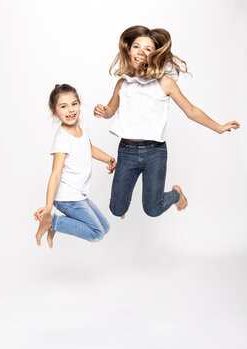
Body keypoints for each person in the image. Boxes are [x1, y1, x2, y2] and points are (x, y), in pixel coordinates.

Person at [94, 25, 240, 219]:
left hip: (155, 152)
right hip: (126, 150)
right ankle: (122, 204)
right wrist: (104, 112)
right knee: (116, 209)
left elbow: (192, 111)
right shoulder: (123, 83)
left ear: (155, 54)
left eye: (148, 49)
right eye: (137, 46)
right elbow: (111, 109)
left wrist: (219, 127)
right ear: (128, 49)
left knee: (153, 209)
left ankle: (176, 194)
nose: (140, 52)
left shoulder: (165, 83)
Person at [34, 84, 116, 248]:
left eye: (74, 104)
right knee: (97, 233)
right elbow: (55, 174)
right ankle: (52, 221)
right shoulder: (62, 138)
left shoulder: (82, 127)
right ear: (54, 111)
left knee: (105, 228)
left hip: (79, 195)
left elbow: (89, 148)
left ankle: (55, 224)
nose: (70, 110)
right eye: (63, 106)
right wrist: (49, 207)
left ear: (79, 104)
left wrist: (108, 159)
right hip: (67, 198)